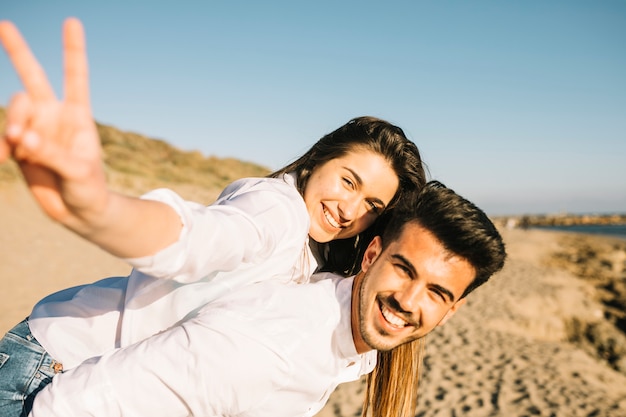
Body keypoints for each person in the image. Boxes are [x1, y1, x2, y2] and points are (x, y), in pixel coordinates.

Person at [0, 18, 426, 416]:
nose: (350, 211)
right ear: (316, 161)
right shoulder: (277, 211)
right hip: (52, 368)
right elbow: (197, 238)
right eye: (348, 182)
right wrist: (99, 208)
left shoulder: (314, 260)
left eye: (372, 206)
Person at [23, 181, 507, 417]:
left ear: (453, 309)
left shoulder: (350, 342)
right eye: (403, 269)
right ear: (372, 254)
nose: (408, 300)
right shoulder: (276, 342)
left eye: (438, 292)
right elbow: (71, 406)